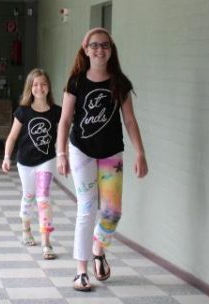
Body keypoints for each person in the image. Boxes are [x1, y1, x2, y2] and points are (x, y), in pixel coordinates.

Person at [56, 27, 148, 291]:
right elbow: (65, 121)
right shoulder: (76, 82)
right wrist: (61, 153)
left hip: (111, 153)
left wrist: (140, 152)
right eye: (94, 45)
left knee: (112, 212)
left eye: (105, 45)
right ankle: (81, 271)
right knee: (87, 209)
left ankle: (98, 249)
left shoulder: (119, 83)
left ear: (111, 50)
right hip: (81, 151)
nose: (99, 49)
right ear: (86, 50)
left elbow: (129, 120)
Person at [2, 68, 62, 260]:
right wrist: (6, 157)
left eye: (43, 84)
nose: (39, 88)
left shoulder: (57, 112)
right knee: (29, 196)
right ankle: (26, 229)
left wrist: (63, 156)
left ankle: (46, 243)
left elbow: (63, 136)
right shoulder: (23, 111)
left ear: (48, 87)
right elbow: (12, 137)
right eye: (35, 84)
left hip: (47, 160)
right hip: (25, 161)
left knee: (43, 198)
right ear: (30, 87)